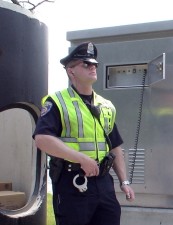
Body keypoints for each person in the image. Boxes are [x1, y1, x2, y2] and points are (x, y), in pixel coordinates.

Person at [33, 42, 135, 225]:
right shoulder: (57, 102)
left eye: (94, 64)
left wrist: (124, 181)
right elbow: (42, 139)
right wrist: (81, 158)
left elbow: (115, 146)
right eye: (86, 64)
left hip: (104, 183)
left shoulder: (105, 105)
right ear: (71, 71)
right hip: (72, 183)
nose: (93, 67)